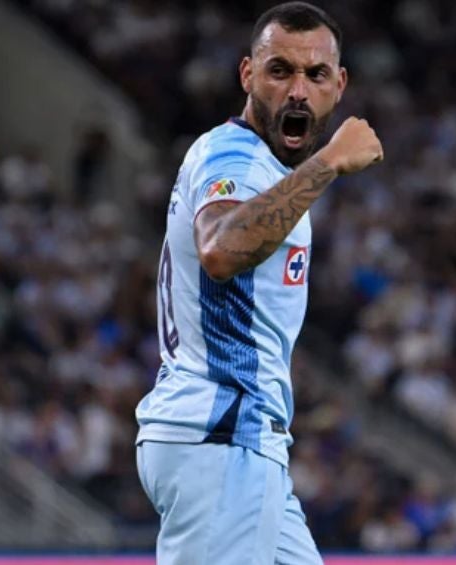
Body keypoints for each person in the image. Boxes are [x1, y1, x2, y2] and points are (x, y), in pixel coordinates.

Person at [135, 3, 383, 563]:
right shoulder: (235, 156)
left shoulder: (267, 172)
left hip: (244, 442)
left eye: (315, 75)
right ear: (248, 75)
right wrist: (328, 164)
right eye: (280, 70)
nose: (298, 90)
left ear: (338, 85)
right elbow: (220, 250)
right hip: (219, 438)